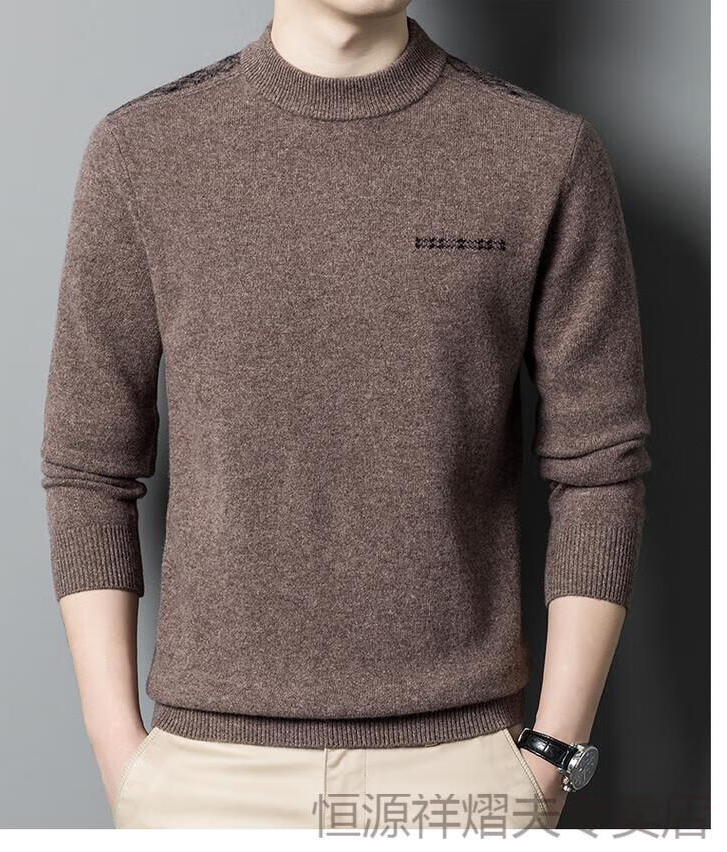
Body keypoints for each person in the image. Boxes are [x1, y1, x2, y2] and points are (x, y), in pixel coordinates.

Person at [40, 0, 651, 832]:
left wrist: (552, 753)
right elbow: (89, 466)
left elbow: (601, 468)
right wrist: (121, 752)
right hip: (206, 774)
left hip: (461, 768)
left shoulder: (542, 152)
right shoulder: (144, 150)